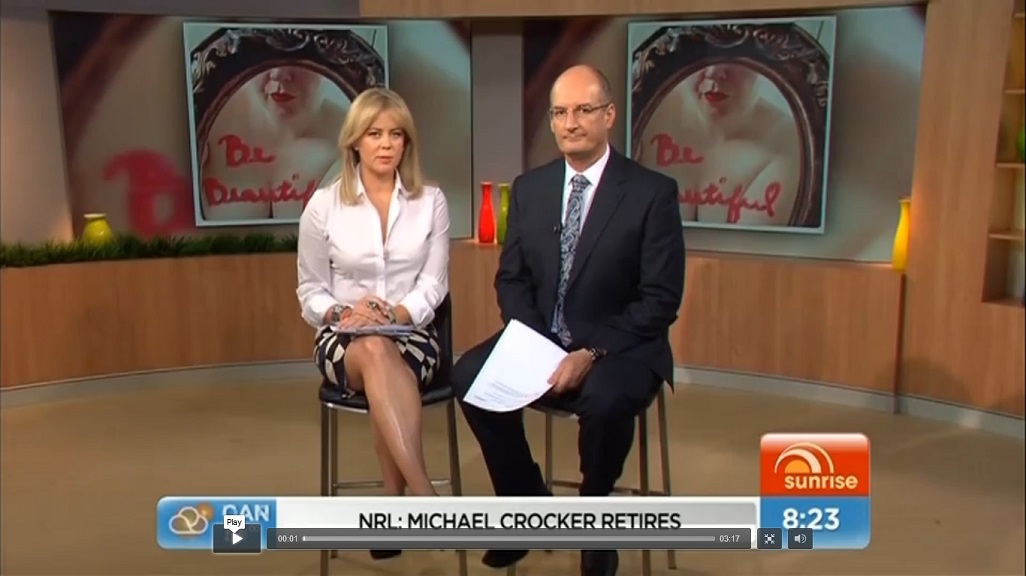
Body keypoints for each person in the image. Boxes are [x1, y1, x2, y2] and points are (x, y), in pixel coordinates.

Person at [452, 65, 686, 576]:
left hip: (621, 345)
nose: (570, 122)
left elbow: (660, 300)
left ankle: (593, 520)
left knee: (604, 401)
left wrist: (591, 351)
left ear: (609, 115)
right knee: (469, 375)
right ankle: (525, 504)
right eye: (560, 112)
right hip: (544, 337)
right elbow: (512, 278)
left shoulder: (651, 193)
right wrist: (534, 342)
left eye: (583, 110)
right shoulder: (531, 188)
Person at [296, 87, 450, 559]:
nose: (386, 144)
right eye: (374, 134)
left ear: (407, 142)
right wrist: (345, 314)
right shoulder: (323, 206)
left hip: (412, 336)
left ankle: (395, 508)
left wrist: (393, 315)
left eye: (395, 134)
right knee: (373, 349)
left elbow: (434, 286)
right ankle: (424, 499)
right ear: (355, 142)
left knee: (383, 352)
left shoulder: (431, 201)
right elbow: (310, 291)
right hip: (343, 339)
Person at [638, 63, 801, 226]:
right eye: (698, 52)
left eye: (733, 56)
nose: (713, 72)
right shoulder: (643, 113)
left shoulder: (791, 144)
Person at [202, 66, 348, 222]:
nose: (277, 74)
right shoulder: (209, 115)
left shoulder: (351, 141)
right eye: (262, 54)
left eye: (295, 58)